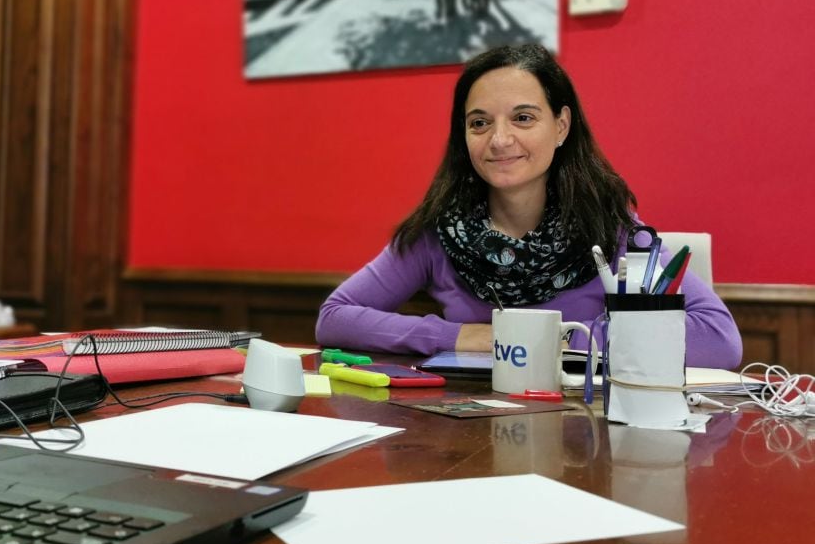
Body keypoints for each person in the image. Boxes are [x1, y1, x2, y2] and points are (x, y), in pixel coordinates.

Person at [315, 44, 742, 369]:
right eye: (479, 122)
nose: (499, 140)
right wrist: (463, 335)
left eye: (523, 118)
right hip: (467, 434)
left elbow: (720, 338)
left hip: (584, 437)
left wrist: (554, 339)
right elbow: (334, 319)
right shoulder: (440, 232)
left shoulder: (609, 226)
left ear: (560, 126)